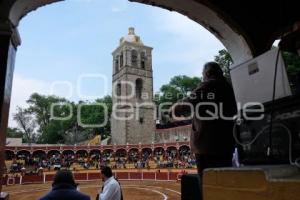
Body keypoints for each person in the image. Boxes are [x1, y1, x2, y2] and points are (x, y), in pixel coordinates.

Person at [172, 62, 237, 180]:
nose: (203, 77)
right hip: (227, 145)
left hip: (208, 146)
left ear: (207, 73)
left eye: (203, 74)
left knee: (208, 185)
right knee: (224, 182)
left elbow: (186, 105)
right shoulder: (228, 87)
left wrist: (174, 108)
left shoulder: (209, 85)